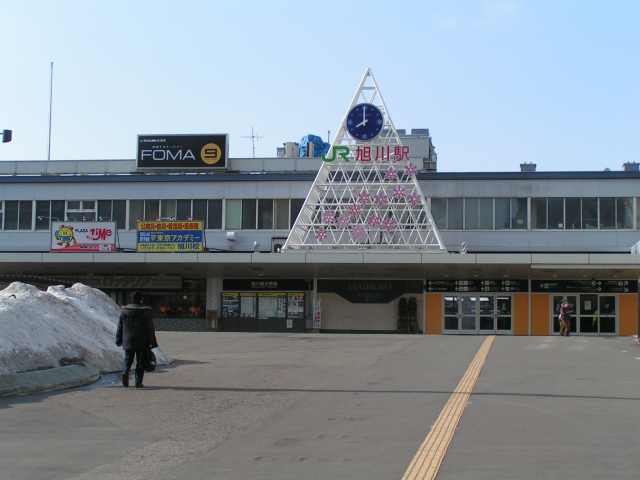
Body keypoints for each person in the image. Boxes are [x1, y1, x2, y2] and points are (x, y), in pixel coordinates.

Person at [116, 291, 158, 388]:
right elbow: (150, 328)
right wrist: (153, 342)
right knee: (140, 362)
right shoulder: (145, 311)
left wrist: (118, 339)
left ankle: (125, 373)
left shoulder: (124, 311)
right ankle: (138, 383)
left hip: (128, 340)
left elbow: (120, 327)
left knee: (128, 360)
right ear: (141, 299)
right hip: (142, 341)